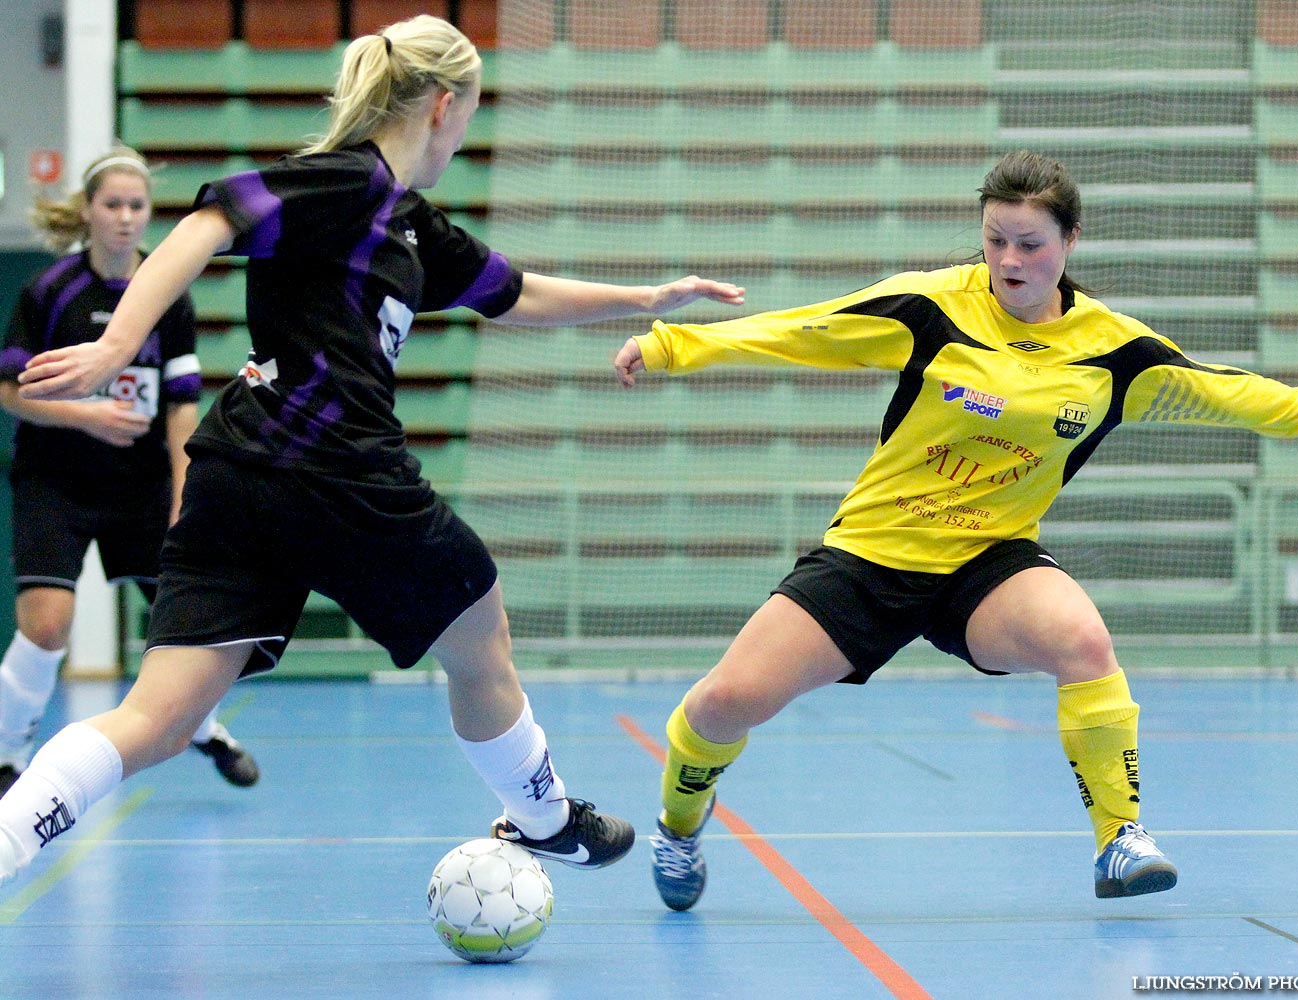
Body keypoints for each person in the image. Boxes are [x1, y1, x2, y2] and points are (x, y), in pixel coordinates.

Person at [0, 15, 744, 889]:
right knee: (480, 627)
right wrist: (121, 342)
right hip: (339, 469)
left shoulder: (411, 227)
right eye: (471, 110)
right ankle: (542, 817)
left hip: (237, 473)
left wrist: (646, 296)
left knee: (157, 720)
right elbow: (211, 219)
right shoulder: (347, 180)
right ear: (442, 104)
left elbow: (516, 294)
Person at [613, 149, 1298, 911]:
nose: (1009, 260)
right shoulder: (933, 307)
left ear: (1070, 241)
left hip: (989, 562)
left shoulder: (1113, 352)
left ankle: (1120, 840)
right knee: (724, 704)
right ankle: (680, 825)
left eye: (1029, 243)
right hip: (874, 554)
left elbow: (1222, 392)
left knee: (1082, 643)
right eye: (994, 240)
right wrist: (674, 344)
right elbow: (808, 329)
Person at [0, 147, 259, 799]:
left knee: (182, 625)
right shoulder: (49, 291)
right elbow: (9, 391)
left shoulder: (165, 294)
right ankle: (8, 754)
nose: (123, 217)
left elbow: (180, 407)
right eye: (111, 204)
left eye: (135, 206)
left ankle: (204, 727)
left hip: (140, 489)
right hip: (54, 482)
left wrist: (182, 493)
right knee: (48, 624)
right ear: (88, 210)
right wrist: (86, 415)